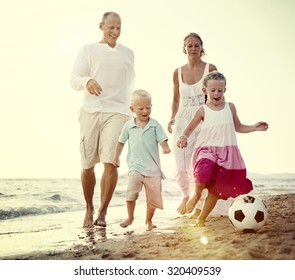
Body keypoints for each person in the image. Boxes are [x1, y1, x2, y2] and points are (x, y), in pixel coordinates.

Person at [177, 71, 268, 226]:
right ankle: (196, 194)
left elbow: (238, 127)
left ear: (225, 90)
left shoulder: (230, 107)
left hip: (226, 153)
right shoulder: (202, 110)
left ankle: (201, 219)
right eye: (213, 90)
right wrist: (183, 137)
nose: (216, 93)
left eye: (220, 90)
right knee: (203, 172)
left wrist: (254, 127)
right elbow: (189, 128)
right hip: (206, 149)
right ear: (205, 91)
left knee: (215, 191)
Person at [70, 11, 135, 228]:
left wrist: (131, 107)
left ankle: (102, 211)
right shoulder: (88, 50)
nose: (115, 32)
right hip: (91, 110)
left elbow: (129, 84)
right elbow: (74, 79)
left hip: (118, 112)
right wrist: (87, 81)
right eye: (111, 28)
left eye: (118, 28)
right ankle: (88, 207)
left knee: (111, 161)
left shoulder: (128, 53)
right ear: (101, 26)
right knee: (87, 165)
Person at [167, 32, 217, 215]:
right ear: (184, 49)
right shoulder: (177, 72)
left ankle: (199, 203)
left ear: (202, 48)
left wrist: (216, 117)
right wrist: (172, 117)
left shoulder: (210, 68)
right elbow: (175, 99)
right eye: (190, 45)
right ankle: (185, 195)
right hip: (182, 118)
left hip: (204, 117)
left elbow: (217, 93)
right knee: (181, 164)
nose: (193, 48)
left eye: (197, 45)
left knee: (200, 162)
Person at [112, 89, 171, 231]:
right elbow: (121, 142)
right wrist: (116, 158)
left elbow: (162, 139)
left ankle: (149, 221)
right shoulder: (129, 125)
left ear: (151, 106)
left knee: (153, 198)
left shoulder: (155, 124)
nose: (145, 111)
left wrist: (165, 147)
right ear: (132, 109)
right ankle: (130, 217)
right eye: (141, 108)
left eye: (148, 108)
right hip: (135, 166)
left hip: (153, 169)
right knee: (131, 191)